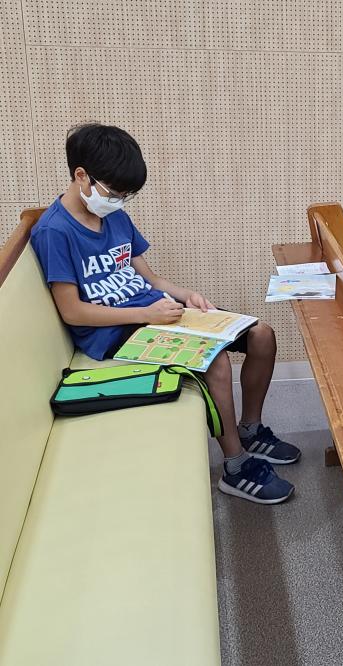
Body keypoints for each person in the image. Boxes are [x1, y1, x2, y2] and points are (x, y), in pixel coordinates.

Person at [31, 123, 299, 505]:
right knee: (215, 360)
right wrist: (146, 313)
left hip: (156, 311)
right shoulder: (54, 231)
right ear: (81, 176)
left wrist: (185, 295)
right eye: (115, 193)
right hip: (114, 332)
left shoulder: (114, 217)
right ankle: (236, 466)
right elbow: (72, 312)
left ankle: (251, 429)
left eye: (126, 195)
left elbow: (150, 278)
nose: (119, 201)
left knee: (262, 335)